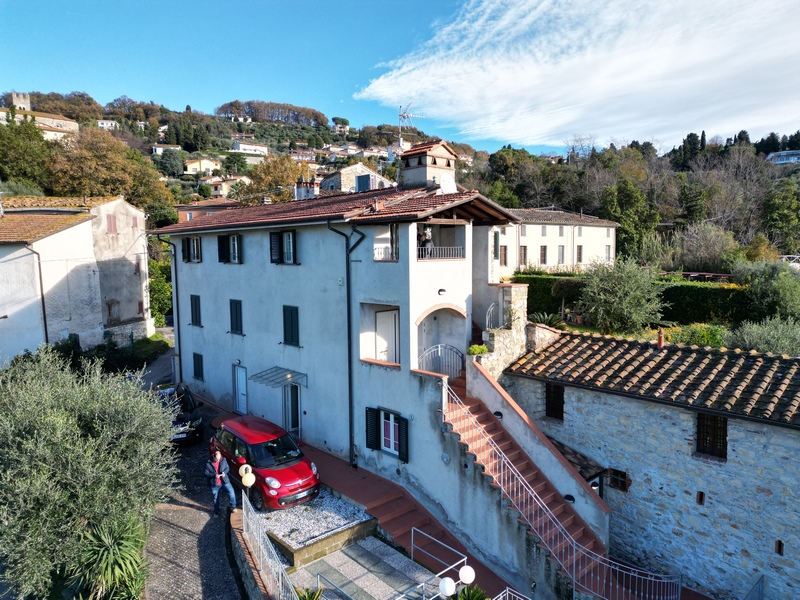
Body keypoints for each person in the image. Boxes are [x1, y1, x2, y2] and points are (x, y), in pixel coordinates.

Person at [205, 449, 237, 515]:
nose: (218, 460)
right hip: (215, 483)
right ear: (213, 456)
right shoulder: (208, 463)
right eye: (217, 459)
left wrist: (224, 472)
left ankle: (233, 507)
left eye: (219, 459)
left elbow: (227, 468)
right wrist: (214, 475)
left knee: (231, 492)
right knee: (215, 498)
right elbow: (206, 473)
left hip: (224, 481)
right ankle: (217, 511)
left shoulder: (223, 460)